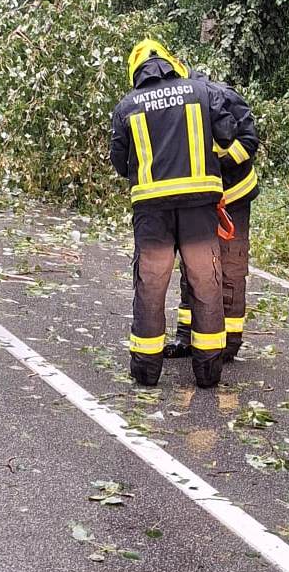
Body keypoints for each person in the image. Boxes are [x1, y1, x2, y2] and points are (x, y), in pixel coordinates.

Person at [109, 38, 242, 392]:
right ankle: (208, 372)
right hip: (199, 207)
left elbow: (121, 164)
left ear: (136, 70)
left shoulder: (127, 106)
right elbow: (229, 135)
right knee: (205, 282)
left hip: (152, 211)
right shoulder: (201, 91)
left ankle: (146, 371)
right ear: (172, 63)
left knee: (151, 286)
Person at [167, 71, 260, 363]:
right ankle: (187, 336)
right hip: (198, 199)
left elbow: (248, 143)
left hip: (233, 196)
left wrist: (214, 165)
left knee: (230, 267)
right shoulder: (172, 106)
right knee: (194, 267)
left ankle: (229, 343)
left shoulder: (226, 98)